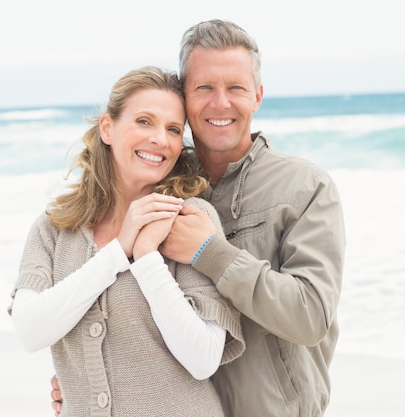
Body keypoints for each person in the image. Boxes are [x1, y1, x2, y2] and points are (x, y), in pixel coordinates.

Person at [51, 20, 346, 417]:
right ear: (185, 98)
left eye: (236, 88)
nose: (220, 103)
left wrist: (211, 252)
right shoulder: (153, 183)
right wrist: (84, 381)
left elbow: (310, 317)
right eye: (204, 88)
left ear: (257, 96)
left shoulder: (304, 187)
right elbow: (113, 305)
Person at [9, 65, 245, 417]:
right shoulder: (53, 228)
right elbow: (30, 331)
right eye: (144, 121)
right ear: (108, 128)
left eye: (173, 129)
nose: (159, 139)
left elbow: (203, 358)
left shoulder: (190, 218)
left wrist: (148, 257)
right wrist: (118, 252)